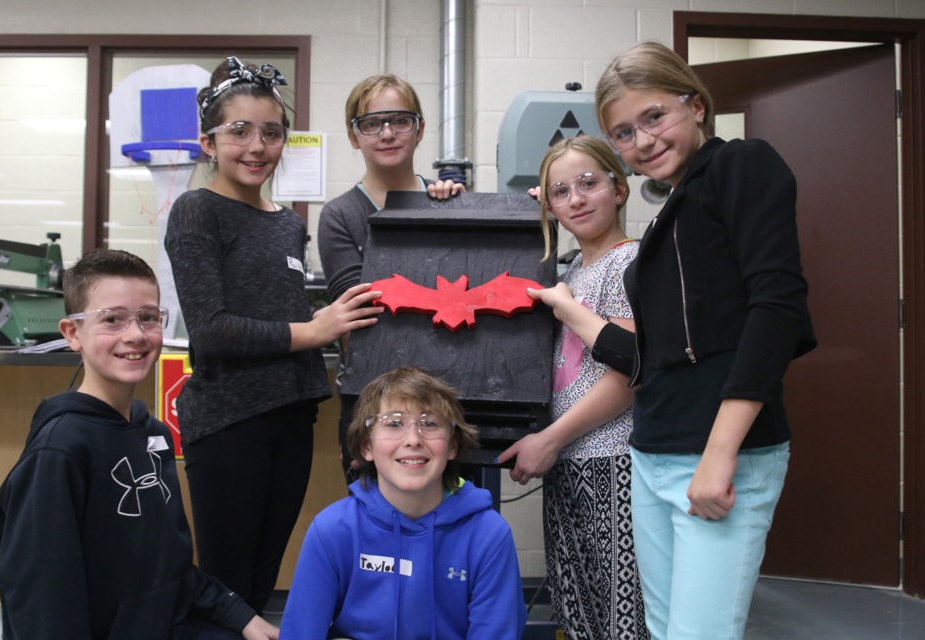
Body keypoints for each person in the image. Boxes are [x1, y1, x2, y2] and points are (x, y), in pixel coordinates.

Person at [528, 42, 816, 640]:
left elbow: (777, 307)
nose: (643, 140)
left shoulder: (740, 167)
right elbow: (647, 352)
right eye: (624, 132)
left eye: (654, 117)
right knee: (660, 629)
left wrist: (720, 453)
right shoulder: (669, 214)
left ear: (697, 105)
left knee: (698, 632)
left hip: (715, 452)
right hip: (653, 450)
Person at [164, 56, 383, 613]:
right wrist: (315, 331)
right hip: (229, 419)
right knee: (226, 585)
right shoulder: (196, 211)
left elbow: (274, 309)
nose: (256, 146)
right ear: (208, 142)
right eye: (238, 132)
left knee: (262, 579)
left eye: (271, 132)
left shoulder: (287, 222)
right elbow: (211, 331)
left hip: (291, 413)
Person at [0, 249, 279, 639]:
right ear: (72, 333)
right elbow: (42, 605)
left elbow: (171, 568)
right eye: (112, 319)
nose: (135, 335)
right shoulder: (59, 452)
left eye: (148, 318)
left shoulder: (153, 434)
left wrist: (240, 615)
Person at [494, 136, 647, 639]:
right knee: (579, 608)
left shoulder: (630, 263)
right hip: (573, 462)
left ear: (619, 189)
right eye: (561, 191)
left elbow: (626, 376)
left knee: (621, 613)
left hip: (614, 463)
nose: (576, 199)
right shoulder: (574, 271)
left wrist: (551, 439)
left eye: (589, 184)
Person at [280, 367, 526, 639]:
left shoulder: (489, 535)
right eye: (394, 423)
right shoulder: (332, 530)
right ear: (366, 447)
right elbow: (300, 632)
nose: (413, 440)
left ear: (452, 446)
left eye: (429, 423)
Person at [317, 74, 463, 478]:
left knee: (454, 531)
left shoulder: (453, 203)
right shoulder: (340, 216)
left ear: (419, 129)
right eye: (371, 123)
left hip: (449, 399)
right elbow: (358, 323)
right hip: (373, 403)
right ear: (354, 135)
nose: (386, 133)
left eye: (399, 120)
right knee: (379, 533)